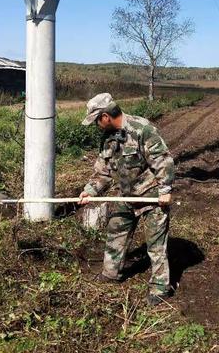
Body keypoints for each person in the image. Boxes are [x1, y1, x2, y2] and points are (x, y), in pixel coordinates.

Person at [78, 93, 175, 305]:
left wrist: (165, 189)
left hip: (151, 196)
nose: (96, 125)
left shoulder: (142, 129)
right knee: (116, 229)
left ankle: (160, 287)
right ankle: (111, 273)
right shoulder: (107, 138)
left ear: (105, 116)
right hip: (125, 195)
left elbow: (162, 160)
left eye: (96, 121)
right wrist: (90, 190)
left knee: (155, 244)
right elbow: (103, 171)